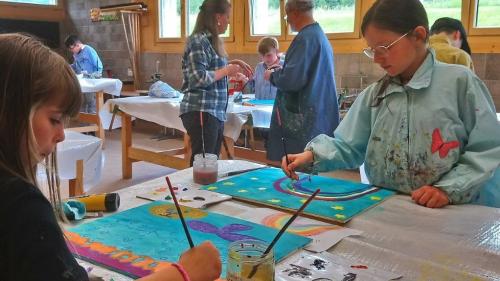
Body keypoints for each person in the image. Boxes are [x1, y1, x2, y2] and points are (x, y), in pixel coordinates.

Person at [0, 33, 221, 281]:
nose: (61, 135)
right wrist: (185, 273)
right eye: (54, 119)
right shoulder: (20, 205)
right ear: (10, 111)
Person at [281, 0, 500, 209]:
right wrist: (312, 155)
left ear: (418, 35)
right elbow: (349, 145)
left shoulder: (460, 83)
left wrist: (448, 189)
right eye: (372, 50)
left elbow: (487, 148)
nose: (377, 58)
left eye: (384, 47)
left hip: (455, 211)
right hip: (392, 207)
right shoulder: (376, 95)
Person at [263, 0, 339, 162]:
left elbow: (292, 80)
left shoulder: (305, 39)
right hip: (316, 114)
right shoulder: (319, 36)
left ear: (295, 13)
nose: (287, 21)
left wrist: (273, 76)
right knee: (309, 167)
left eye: (287, 16)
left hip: (303, 120)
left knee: (298, 168)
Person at [180, 0, 253, 165]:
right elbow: (198, 78)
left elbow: (210, 66)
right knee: (204, 163)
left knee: (211, 161)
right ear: (218, 17)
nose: (228, 21)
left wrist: (232, 66)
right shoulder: (199, 41)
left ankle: (205, 190)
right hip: (202, 110)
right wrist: (227, 70)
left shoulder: (210, 40)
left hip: (212, 111)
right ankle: (197, 191)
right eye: (227, 17)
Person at [64, 34, 104, 113]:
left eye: (71, 48)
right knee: (82, 103)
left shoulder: (89, 50)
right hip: (82, 81)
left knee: (91, 103)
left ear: (77, 45)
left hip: (91, 81)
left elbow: (99, 67)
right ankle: (84, 124)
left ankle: (94, 123)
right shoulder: (76, 54)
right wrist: (66, 67)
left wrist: (93, 77)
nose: (71, 51)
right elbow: (76, 66)